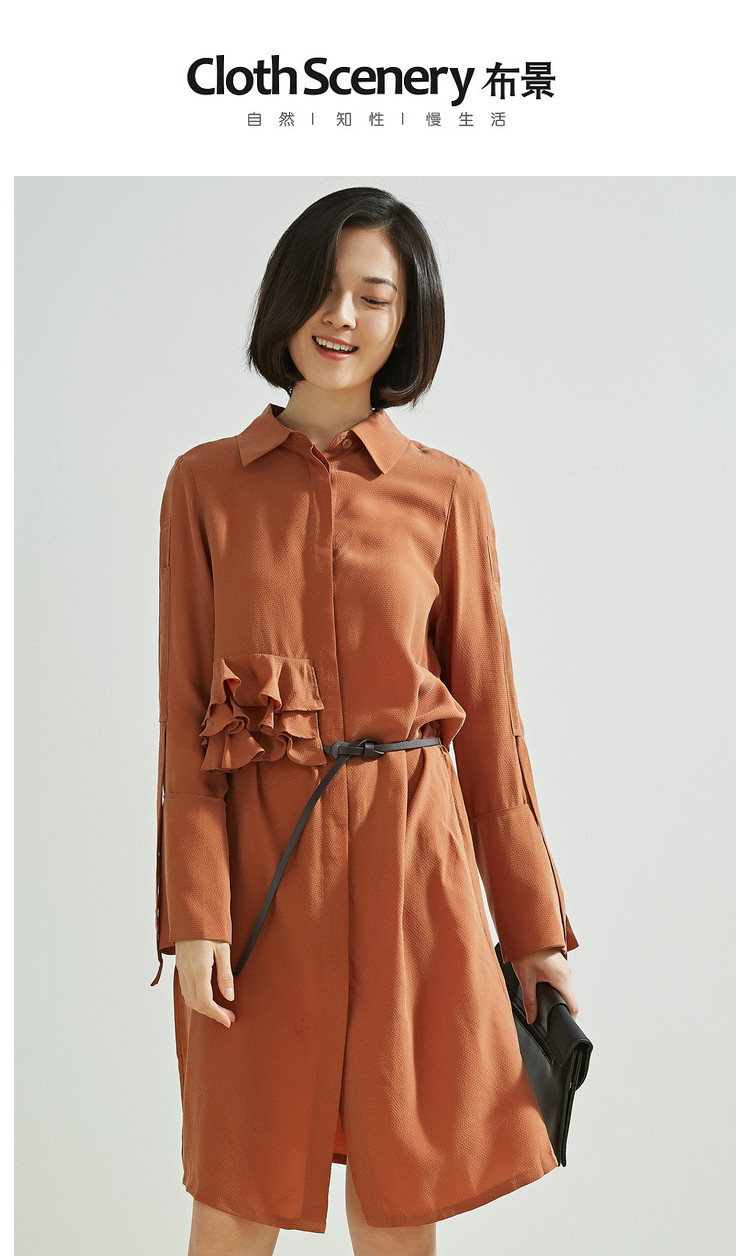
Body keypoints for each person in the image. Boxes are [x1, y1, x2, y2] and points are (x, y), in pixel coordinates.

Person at [151, 186, 581, 1256]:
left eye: (374, 296)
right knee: (237, 1191)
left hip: (413, 877)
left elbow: (494, 735)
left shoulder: (448, 494)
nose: (342, 315)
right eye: (324, 287)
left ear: (406, 320)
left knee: (400, 1192)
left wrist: (532, 932)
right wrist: (195, 914)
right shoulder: (203, 486)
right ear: (284, 298)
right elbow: (183, 725)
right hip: (260, 879)